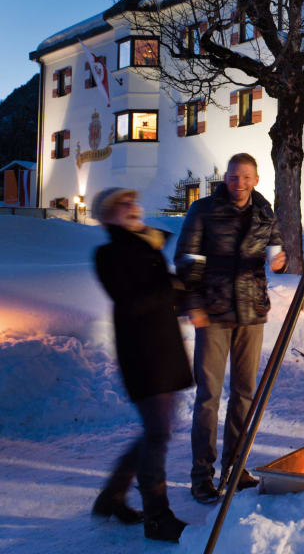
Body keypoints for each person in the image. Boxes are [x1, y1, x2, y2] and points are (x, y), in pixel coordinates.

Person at [175, 153, 286, 503]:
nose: (239, 183)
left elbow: (277, 248)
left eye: (246, 177)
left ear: (255, 179)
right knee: (208, 396)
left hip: (252, 311)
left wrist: (280, 261)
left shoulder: (264, 211)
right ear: (225, 177)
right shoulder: (203, 209)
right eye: (234, 177)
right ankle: (201, 474)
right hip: (214, 310)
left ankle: (234, 468)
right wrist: (194, 303)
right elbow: (187, 258)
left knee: (244, 394)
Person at [91, 187, 193, 543]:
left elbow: (163, 294)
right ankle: (157, 517)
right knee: (158, 433)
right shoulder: (109, 254)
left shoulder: (145, 246)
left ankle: (112, 495)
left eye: (132, 201)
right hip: (142, 353)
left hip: (163, 348)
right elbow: (133, 301)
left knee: (156, 431)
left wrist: (185, 292)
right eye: (121, 205)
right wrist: (171, 287)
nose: (132, 207)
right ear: (106, 216)